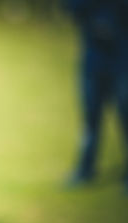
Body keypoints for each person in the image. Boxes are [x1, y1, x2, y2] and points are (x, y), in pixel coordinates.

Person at [65, 0, 128, 188]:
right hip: (93, 60)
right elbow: (72, 8)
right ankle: (85, 170)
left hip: (122, 61)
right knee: (90, 120)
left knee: (125, 118)